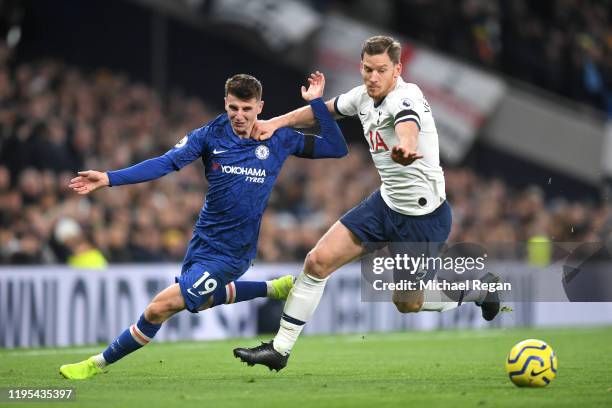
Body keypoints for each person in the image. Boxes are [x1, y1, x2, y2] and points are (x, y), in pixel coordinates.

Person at [233, 36, 500, 372]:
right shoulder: (362, 96)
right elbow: (326, 110)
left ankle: (479, 290)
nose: (373, 77)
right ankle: (280, 348)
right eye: (367, 69)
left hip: (422, 218)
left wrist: (405, 146)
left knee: (408, 304)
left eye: (381, 70)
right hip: (384, 204)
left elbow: (407, 127)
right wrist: (275, 122)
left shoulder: (406, 97)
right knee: (317, 262)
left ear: (397, 70)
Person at [59, 72, 348, 379]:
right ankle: (273, 287)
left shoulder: (278, 137)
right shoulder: (210, 134)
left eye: (246, 109)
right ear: (226, 103)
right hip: (202, 241)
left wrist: (316, 104)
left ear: (259, 107)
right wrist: (109, 178)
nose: (239, 116)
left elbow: (336, 147)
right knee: (200, 302)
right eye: (233, 108)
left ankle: (95, 364)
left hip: (233, 253)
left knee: (160, 308)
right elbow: (166, 162)